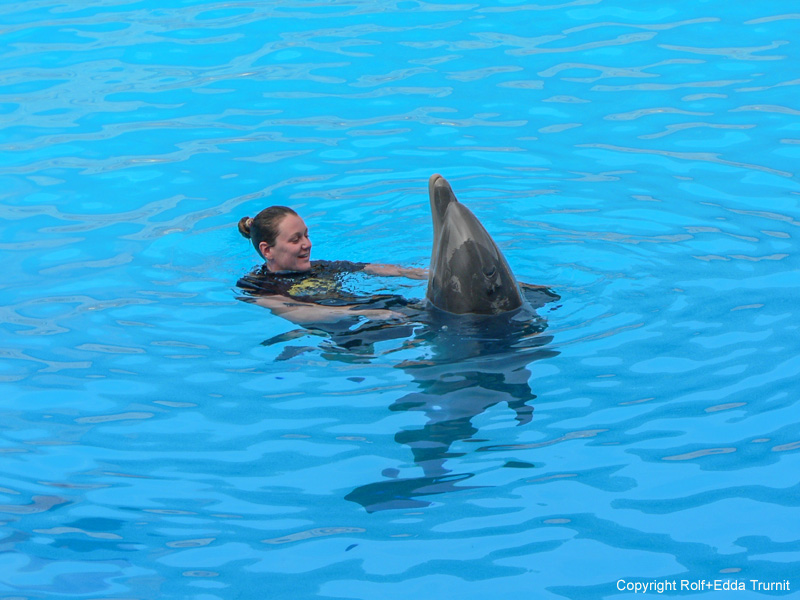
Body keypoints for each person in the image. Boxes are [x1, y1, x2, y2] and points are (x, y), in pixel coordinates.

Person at [237, 206, 427, 323]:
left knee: (406, 304)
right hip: (341, 330)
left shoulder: (319, 267)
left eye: (306, 235)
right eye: (296, 240)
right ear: (267, 250)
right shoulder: (256, 287)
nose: (307, 244)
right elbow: (299, 313)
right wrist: (366, 312)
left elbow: (368, 268)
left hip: (365, 311)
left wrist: (417, 273)